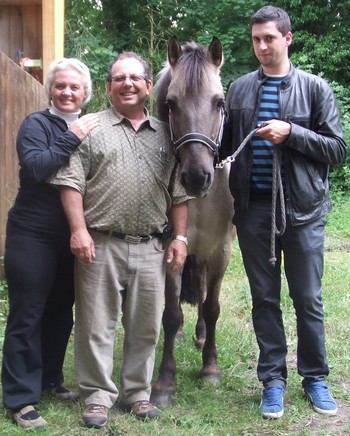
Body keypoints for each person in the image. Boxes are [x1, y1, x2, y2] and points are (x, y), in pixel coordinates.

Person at [50, 51, 190, 429]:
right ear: (108, 86)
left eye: (135, 78)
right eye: (119, 78)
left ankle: (137, 394)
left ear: (148, 86)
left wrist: (180, 237)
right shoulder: (89, 128)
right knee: (96, 324)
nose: (127, 84)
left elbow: (180, 193)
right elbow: (70, 182)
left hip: (151, 247)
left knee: (146, 325)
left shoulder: (167, 134)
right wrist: (78, 230)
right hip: (101, 242)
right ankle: (97, 396)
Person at [221, 5, 347, 419]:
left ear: (287, 38)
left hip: (304, 211)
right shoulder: (237, 90)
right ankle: (273, 381)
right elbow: (222, 149)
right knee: (263, 298)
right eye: (255, 39)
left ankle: (315, 378)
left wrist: (292, 133)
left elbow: (338, 150)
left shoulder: (314, 89)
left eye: (269, 39)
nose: (261, 46)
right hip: (253, 211)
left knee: (308, 298)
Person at [2, 58, 99, 430]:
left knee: (61, 309)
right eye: (60, 85)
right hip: (33, 233)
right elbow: (37, 167)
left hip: (74, 233)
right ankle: (20, 397)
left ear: (85, 92)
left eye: (74, 86)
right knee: (28, 312)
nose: (67, 92)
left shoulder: (95, 127)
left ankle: (50, 379)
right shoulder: (36, 125)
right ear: (50, 91)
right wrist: (72, 137)